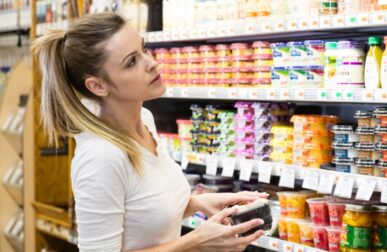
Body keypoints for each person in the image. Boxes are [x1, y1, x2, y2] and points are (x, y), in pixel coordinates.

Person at [31, 13, 267, 252]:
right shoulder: (101, 157)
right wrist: (195, 241)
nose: (152, 62)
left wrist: (199, 203)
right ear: (98, 85)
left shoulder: (145, 120)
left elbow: (142, 212)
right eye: (131, 61)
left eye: (144, 49)